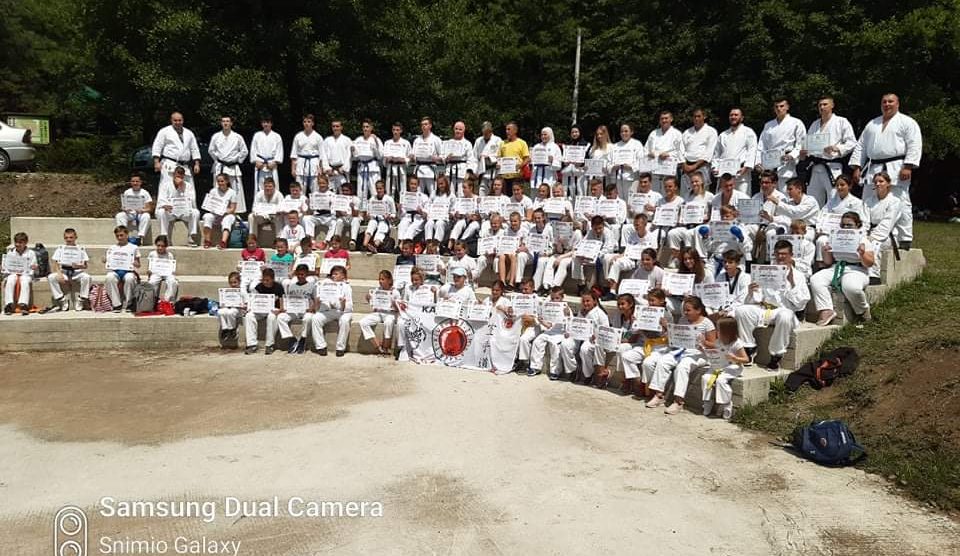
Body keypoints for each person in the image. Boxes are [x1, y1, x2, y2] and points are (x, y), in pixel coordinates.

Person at [849, 93, 923, 250]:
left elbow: (914, 144)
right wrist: (857, 166)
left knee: (901, 201)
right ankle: (863, 233)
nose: (887, 104)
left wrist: (908, 165)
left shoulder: (907, 122)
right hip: (873, 168)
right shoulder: (872, 124)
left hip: (897, 167)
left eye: (890, 101)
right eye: (884, 102)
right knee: (867, 200)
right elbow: (861, 145)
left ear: (898, 104)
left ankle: (904, 237)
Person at [733, 239, 811, 370]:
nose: (780, 257)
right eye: (778, 254)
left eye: (784, 254)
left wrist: (791, 283)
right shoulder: (764, 271)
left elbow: (800, 304)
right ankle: (749, 347)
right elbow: (757, 299)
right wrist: (752, 292)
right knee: (741, 311)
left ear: (791, 255)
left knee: (785, 316)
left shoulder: (798, 276)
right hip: (764, 309)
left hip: (784, 311)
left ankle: (776, 355)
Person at [645, 295, 716, 414]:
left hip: (699, 353)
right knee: (663, 361)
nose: (685, 313)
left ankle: (678, 401)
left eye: (688, 310)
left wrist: (703, 342)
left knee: (682, 367)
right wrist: (668, 330)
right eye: (684, 310)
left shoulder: (707, 323)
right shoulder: (683, 320)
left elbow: (714, 345)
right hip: (681, 350)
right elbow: (677, 337)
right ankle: (659, 395)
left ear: (698, 310)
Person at [810, 211, 877, 326]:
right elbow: (828, 262)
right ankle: (826, 310)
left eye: (849, 225)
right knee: (816, 279)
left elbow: (870, 263)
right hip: (836, 267)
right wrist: (825, 251)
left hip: (857, 269)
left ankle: (863, 311)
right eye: (843, 225)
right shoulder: (835, 238)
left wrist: (862, 254)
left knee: (851, 287)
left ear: (857, 225)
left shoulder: (863, 240)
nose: (845, 227)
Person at [800, 96, 857, 207]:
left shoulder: (841, 121)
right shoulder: (814, 124)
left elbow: (852, 142)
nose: (822, 107)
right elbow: (807, 143)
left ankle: (835, 218)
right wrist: (804, 152)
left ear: (832, 105)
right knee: (812, 201)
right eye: (820, 105)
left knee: (835, 198)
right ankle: (814, 219)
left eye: (825, 104)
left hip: (832, 166)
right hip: (815, 167)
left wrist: (838, 148)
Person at [619, 289, 669, 396]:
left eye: (653, 300)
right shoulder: (644, 312)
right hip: (645, 345)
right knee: (627, 356)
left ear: (661, 301)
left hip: (659, 348)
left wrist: (666, 327)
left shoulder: (667, 315)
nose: (650, 303)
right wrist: (636, 323)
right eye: (649, 301)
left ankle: (650, 389)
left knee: (647, 363)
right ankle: (637, 381)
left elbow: (670, 337)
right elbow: (634, 333)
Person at [700, 316, 750, 419]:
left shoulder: (737, 343)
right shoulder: (718, 341)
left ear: (727, 332)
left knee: (721, 381)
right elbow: (714, 350)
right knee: (705, 378)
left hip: (732, 366)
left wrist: (735, 358)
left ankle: (726, 403)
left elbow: (746, 359)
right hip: (719, 364)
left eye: (719, 330)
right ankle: (707, 401)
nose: (717, 332)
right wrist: (704, 348)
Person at [592, 293, 644, 389]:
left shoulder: (637, 316)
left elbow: (633, 338)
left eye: (623, 304)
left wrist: (618, 340)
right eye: (618, 304)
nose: (620, 306)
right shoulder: (618, 315)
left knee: (621, 349)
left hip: (633, 344)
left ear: (631, 304)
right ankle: (601, 372)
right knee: (599, 344)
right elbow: (614, 331)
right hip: (618, 341)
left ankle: (624, 378)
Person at [814, 174, 868, 265]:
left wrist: (858, 232)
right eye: (837, 185)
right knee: (821, 240)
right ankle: (822, 265)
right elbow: (822, 216)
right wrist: (820, 228)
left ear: (850, 186)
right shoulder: (831, 202)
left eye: (842, 185)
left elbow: (864, 222)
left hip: (850, 234)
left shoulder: (857, 203)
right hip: (831, 233)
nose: (839, 187)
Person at [755, 97, 806, 191]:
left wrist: (791, 155)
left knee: (787, 195)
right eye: (776, 107)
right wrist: (758, 162)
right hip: (769, 165)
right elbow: (761, 146)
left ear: (787, 107)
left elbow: (801, 144)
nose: (779, 109)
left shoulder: (796, 123)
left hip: (786, 165)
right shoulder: (768, 125)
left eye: (782, 106)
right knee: (768, 196)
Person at [560, 290, 609, 382]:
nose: (585, 303)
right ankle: (573, 369)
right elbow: (576, 325)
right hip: (579, 336)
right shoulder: (581, 312)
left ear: (594, 301)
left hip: (592, 339)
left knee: (584, 349)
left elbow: (605, 330)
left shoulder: (601, 314)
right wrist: (569, 331)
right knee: (565, 344)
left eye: (588, 301)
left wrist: (597, 335)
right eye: (583, 301)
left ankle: (588, 374)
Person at [152, 111, 201, 200]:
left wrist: (196, 164)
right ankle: (164, 207)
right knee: (166, 187)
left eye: (180, 120)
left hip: (185, 165)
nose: (178, 122)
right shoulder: (164, 131)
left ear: (183, 120)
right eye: (175, 120)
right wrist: (156, 162)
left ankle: (189, 208)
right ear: (171, 120)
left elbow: (194, 148)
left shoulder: (189, 133)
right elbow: (157, 146)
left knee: (188, 188)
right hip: (170, 164)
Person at [864, 171, 903, 283]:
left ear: (888, 183)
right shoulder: (868, 201)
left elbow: (888, 222)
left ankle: (874, 276)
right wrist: (864, 234)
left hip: (887, 235)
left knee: (874, 244)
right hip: (869, 232)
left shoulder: (895, 201)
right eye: (876, 182)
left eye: (881, 181)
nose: (878, 184)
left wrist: (873, 236)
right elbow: (864, 220)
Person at [529, 286, 573, 380]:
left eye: (557, 298)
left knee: (554, 345)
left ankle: (555, 371)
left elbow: (570, 322)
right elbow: (548, 325)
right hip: (549, 331)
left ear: (562, 297)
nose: (554, 300)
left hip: (560, 333)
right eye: (552, 298)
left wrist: (567, 316)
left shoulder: (566, 308)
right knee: (537, 341)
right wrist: (542, 321)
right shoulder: (549, 307)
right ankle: (535, 367)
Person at [208, 115, 249, 213]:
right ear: (221, 123)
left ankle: (236, 211)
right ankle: (217, 210)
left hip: (233, 166)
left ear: (231, 123)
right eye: (223, 121)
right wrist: (217, 160)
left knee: (235, 189)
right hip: (220, 166)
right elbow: (211, 150)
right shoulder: (216, 136)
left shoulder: (237, 137)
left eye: (227, 121)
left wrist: (237, 160)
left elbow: (244, 151)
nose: (225, 123)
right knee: (218, 188)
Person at [310, 264, 353, 356]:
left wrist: (342, 304)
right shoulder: (326, 285)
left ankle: (340, 348)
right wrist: (318, 301)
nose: (333, 276)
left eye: (336, 274)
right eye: (332, 274)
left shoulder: (346, 287)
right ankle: (321, 346)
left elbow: (349, 306)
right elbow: (320, 306)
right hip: (329, 310)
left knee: (344, 321)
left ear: (343, 276)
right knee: (316, 318)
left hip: (343, 312)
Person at [713, 107, 758, 195]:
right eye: (731, 115)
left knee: (742, 199)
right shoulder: (723, 135)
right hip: (724, 174)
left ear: (742, 118)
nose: (733, 117)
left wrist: (746, 167)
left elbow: (752, 151)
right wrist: (715, 167)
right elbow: (716, 154)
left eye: (736, 115)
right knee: (723, 199)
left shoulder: (748, 132)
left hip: (741, 174)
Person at [47, 228, 91, 312]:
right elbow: (55, 262)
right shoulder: (61, 248)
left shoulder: (80, 249)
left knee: (87, 277)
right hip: (64, 272)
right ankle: (61, 299)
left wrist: (78, 266)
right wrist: (59, 273)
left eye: (71, 237)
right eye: (66, 238)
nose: (68, 239)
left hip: (76, 273)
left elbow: (85, 266)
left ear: (75, 237)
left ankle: (81, 299)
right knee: (51, 277)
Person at [276, 264, 317, 355]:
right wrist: (285, 307)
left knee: (308, 318)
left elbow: (316, 300)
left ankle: (302, 339)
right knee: (280, 317)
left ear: (306, 274)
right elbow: (288, 299)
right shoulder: (291, 286)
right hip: (294, 310)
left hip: (306, 310)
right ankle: (292, 339)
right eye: (298, 274)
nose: (300, 276)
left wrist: (312, 308)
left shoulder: (312, 286)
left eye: (302, 274)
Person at [243, 267, 284, 355]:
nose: (265, 282)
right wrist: (249, 308)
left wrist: (280, 310)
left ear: (273, 279)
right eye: (263, 280)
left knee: (271, 317)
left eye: (267, 280)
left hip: (273, 309)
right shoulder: (258, 287)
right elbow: (253, 300)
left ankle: (269, 345)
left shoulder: (278, 287)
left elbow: (282, 303)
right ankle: (252, 344)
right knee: (249, 316)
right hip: (260, 309)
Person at [360, 270, 400, 355]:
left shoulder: (395, 292)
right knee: (363, 322)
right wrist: (368, 298)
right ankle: (376, 344)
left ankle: (386, 346)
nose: (380, 281)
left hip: (390, 313)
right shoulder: (377, 290)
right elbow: (373, 304)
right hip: (379, 313)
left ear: (389, 280)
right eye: (379, 279)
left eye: (383, 279)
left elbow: (399, 309)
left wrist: (394, 304)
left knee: (388, 322)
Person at [156, 167, 200, 246]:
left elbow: (191, 199)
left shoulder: (188, 186)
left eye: (181, 177)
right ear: (173, 175)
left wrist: (182, 188)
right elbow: (161, 198)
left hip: (184, 211)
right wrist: (165, 205)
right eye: (177, 176)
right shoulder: (166, 185)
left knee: (195, 212)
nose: (179, 179)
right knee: (161, 212)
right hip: (171, 211)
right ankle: (164, 237)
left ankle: (191, 236)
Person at [680, 108, 719, 198]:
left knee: (701, 195)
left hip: (702, 167)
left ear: (704, 117)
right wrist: (684, 165)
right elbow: (680, 150)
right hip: (686, 167)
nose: (696, 119)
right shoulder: (687, 132)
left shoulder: (711, 131)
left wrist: (694, 166)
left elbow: (709, 152)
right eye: (694, 117)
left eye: (699, 116)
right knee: (685, 195)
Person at [103, 226, 141, 312]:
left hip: (128, 271)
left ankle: (129, 303)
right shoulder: (112, 248)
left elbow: (138, 264)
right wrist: (105, 260)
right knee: (109, 277)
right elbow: (108, 260)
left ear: (127, 235)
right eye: (117, 236)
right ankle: (116, 304)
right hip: (115, 271)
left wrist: (136, 263)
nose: (119, 237)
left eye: (121, 235)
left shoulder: (134, 247)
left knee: (129, 278)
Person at [645, 112, 684, 195]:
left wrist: (668, 155)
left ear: (671, 119)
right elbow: (646, 150)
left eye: (666, 118)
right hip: (655, 171)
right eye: (662, 119)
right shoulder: (653, 133)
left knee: (669, 195)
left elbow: (681, 152)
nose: (664, 120)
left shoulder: (677, 134)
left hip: (669, 170)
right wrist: (649, 154)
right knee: (654, 195)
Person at [3, 232, 38, 315]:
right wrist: (3, 267)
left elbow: (34, 265)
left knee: (25, 281)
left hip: (26, 274)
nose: (17, 244)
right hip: (13, 273)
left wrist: (34, 267)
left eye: (20, 242)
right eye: (16, 242)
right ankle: (9, 304)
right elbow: (6, 266)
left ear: (25, 243)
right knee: (10, 280)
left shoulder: (31, 253)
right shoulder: (10, 253)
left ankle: (23, 304)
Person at [200, 174, 238, 249]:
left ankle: (223, 242)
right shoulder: (213, 191)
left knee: (227, 219)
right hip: (215, 214)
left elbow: (233, 208)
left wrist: (224, 212)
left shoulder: (232, 192)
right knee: (207, 216)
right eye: (218, 181)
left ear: (227, 181)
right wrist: (213, 209)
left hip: (226, 214)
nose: (220, 183)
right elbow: (209, 205)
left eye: (222, 181)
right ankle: (207, 241)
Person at [249, 115, 284, 196]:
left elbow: (279, 151)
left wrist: (275, 162)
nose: (266, 124)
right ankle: (258, 203)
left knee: (274, 185)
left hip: (272, 164)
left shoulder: (277, 136)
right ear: (261, 124)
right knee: (259, 187)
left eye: (268, 122)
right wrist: (255, 161)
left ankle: (274, 203)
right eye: (264, 122)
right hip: (260, 164)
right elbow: (253, 150)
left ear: (271, 124)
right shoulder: (257, 135)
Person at [609, 123, 645, 200]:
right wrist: (613, 167)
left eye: (626, 131)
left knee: (631, 201)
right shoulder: (615, 146)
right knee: (618, 200)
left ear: (631, 132)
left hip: (632, 178)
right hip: (618, 179)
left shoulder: (637, 144)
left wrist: (631, 167)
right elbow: (609, 162)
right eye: (622, 131)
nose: (623, 133)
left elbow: (641, 161)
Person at [291, 114, 325, 194]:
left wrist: (321, 168)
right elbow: (294, 154)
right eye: (305, 122)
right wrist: (293, 169)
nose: (306, 124)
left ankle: (315, 202)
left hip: (314, 164)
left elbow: (322, 155)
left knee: (315, 190)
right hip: (301, 164)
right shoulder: (298, 136)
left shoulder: (318, 137)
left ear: (313, 123)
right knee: (300, 190)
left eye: (309, 122)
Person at [362, 179, 398, 254]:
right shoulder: (372, 199)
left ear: (384, 189)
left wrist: (389, 216)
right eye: (377, 188)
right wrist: (368, 215)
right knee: (371, 225)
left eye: (380, 188)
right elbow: (369, 212)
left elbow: (394, 213)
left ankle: (375, 246)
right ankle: (364, 245)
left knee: (382, 228)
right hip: (374, 219)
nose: (379, 190)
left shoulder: (389, 199)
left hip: (384, 220)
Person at [411, 116, 443, 197]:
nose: (423, 126)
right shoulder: (417, 140)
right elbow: (413, 155)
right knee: (418, 194)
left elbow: (442, 155)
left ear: (430, 126)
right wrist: (412, 157)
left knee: (433, 193)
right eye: (422, 125)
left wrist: (436, 158)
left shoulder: (436, 139)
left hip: (431, 170)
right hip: (419, 169)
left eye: (425, 124)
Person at [443, 121, 477, 196]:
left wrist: (468, 172)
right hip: (450, 171)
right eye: (456, 129)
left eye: (460, 129)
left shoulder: (467, 143)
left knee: (461, 193)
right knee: (450, 194)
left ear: (464, 130)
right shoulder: (448, 142)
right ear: (453, 129)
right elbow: (442, 157)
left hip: (462, 172)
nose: (458, 131)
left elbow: (470, 159)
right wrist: (446, 158)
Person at [246, 177, 284, 245]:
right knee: (251, 216)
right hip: (262, 217)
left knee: (279, 217)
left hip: (274, 217)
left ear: (274, 187)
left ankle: (278, 240)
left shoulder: (279, 195)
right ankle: (253, 239)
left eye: (270, 186)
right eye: (266, 186)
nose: (268, 188)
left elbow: (281, 208)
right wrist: (259, 213)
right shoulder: (259, 194)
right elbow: (254, 208)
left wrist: (272, 214)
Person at [353, 119, 383, 200]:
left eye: (367, 127)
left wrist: (375, 146)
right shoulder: (358, 140)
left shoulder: (376, 139)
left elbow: (380, 156)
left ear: (371, 128)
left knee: (374, 191)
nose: (365, 129)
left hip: (373, 167)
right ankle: (362, 207)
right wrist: (353, 150)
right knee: (361, 192)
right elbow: (355, 157)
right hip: (362, 168)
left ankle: (376, 207)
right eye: (364, 127)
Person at [560, 124, 591, 197]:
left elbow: (588, 160)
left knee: (580, 194)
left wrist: (582, 164)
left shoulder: (586, 145)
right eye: (572, 132)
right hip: (567, 175)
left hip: (580, 175)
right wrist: (564, 163)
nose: (574, 134)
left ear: (580, 132)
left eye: (576, 132)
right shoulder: (567, 145)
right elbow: (561, 160)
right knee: (567, 195)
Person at [497, 121, 530, 191]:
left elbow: (527, 158)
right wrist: (498, 165)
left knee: (517, 195)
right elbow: (499, 158)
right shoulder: (502, 143)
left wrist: (520, 166)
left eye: (509, 129)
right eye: (506, 129)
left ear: (515, 131)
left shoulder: (522, 143)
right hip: (504, 177)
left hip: (517, 176)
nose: (507, 131)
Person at [323, 119, 353, 193]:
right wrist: (327, 168)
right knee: (330, 193)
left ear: (341, 127)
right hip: (330, 171)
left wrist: (344, 168)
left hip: (342, 171)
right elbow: (324, 155)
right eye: (333, 126)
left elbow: (349, 156)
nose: (335, 128)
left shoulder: (347, 140)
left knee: (343, 193)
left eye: (337, 126)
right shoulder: (327, 140)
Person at [383, 122, 412, 197]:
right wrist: (388, 159)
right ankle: (390, 204)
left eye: (397, 130)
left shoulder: (406, 143)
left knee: (402, 191)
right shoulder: (387, 143)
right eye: (394, 130)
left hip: (401, 169)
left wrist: (403, 160)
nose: (395, 132)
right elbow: (384, 157)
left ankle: (402, 204)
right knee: (389, 191)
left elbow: (410, 157)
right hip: (390, 169)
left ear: (401, 131)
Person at [472, 121, 502, 195]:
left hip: (494, 172)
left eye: (487, 132)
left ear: (491, 131)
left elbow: (500, 156)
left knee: (494, 195)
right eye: (484, 132)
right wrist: (475, 171)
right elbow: (474, 157)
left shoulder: (497, 140)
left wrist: (489, 157)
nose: (485, 134)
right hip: (482, 173)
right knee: (481, 193)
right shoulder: (478, 141)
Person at [146, 235, 178, 303]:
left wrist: (172, 272)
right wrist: (149, 273)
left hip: (167, 273)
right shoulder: (152, 254)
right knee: (152, 282)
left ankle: (168, 302)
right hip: (156, 273)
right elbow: (149, 266)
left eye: (162, 246)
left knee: (173, 282)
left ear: (166, 246)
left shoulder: (169, 255)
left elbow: (172, 268)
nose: (160, 248)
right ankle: (153, 301)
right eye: (158, 245)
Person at [397, 176, 429, 244]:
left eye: (415, 184)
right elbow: (400, 216)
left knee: (411, 229)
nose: (413, 186)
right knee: (402, 225)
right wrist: (399, 209)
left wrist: (420, 212)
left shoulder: (424, 197)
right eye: (411, 184)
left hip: (419, 218)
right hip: (407, 217)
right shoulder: (404, 195)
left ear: (418, 185)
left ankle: (402, 246)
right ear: (408, 184)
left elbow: (426, 216)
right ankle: (400, 244)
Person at [218, 271, 245, 348]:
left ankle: (232, 329)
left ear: (239, 282)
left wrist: (243, 306)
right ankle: (225, 329)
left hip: (239, 310)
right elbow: (223, 302)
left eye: (235, 282)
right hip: (229, 308)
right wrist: (223, 305)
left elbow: (246, 303)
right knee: (220, 312)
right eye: (231, 282)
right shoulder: (227, 291)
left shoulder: (242, 291)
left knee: (231, 312)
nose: (233, 284)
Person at [332, 181, 362, 249]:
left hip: (352, 218)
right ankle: (336, 241)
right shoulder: (339, 199)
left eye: (347, 190)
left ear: (351, 191)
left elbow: (355, 215)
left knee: (356, 220)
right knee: (339, 221)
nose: (345, 192)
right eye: (343, 190)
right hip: (343, 218)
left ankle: (353, 241)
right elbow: (337, 215)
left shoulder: (356, 199)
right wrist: (340, 212)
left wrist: (352, 208)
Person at [424, 175, 452, 245]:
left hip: (445, 220)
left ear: (446, 183)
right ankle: (428, 244)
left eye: (442, 183)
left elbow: (453, 209)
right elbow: (428, 204)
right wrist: (426, 212)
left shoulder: (451, 196)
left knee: (439, 223)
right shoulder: (433, 193)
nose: (440, 186)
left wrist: (451, 214)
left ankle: (436, 245)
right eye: (439, 184)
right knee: (429, 223)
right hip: (433, 217)